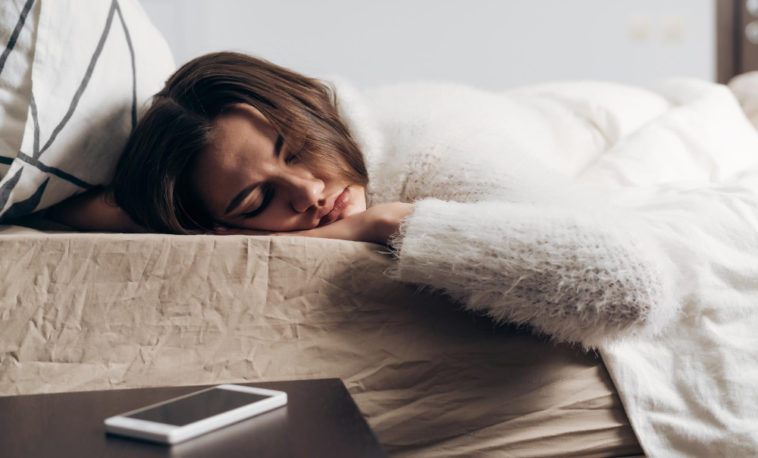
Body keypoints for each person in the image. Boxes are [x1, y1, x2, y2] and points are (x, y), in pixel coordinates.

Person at [50, 51, 673, 347]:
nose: (308, 191)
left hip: (601, 117)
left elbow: (628, 284)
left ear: (308, 111)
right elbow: (68, 206)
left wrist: (392, 223)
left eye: (293, 148)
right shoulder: (205, 192)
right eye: (256, 198)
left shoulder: (433, 152)